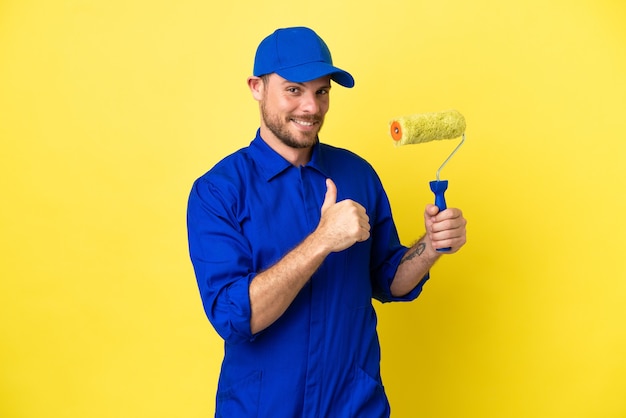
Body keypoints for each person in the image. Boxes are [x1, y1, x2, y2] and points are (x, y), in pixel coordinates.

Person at [187, 26, 467, 418]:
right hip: (262, 408)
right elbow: (236, 318)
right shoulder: (218, 192)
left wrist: (431, 246)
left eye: (322, 92)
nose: (311, 108)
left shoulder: (357, 174)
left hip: (354, 405)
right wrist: (322, 240)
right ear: (256, 87)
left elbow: (388, 280)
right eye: (294, 90)